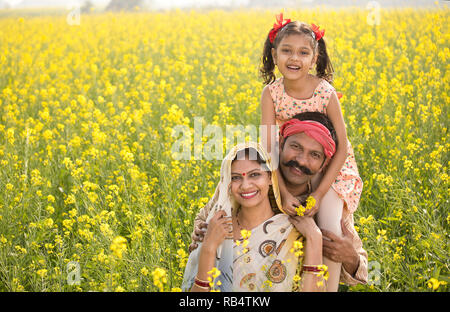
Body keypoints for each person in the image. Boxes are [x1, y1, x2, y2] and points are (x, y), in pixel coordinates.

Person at [190, 112, 368, 290]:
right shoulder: (252, 180)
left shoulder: (326, 206)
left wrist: (349, 256)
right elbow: (206, 217)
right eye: (296, 146)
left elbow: (360, 271)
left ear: (324, 164)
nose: (301, 160)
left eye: (314, 155)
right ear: (281, 143)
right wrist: (201, 233)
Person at [259, 13, 364, 291]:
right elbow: (269, 148)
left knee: (329, 225)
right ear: (274, 54)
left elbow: (341, 148)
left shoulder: (324, 91)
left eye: (303, 52)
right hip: (292, 165)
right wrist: (284, 192)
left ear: (314, 58)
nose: (295, 58)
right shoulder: (271, 93)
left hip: (332, 168)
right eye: (287, 51)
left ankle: (328, 288)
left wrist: (318, 195)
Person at [182, 142, 327, 292]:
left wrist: (315, 238)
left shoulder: (291, 233)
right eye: (236, 178)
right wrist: (208, 248)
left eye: (255, 175)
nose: (245, 186)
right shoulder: (216, 228)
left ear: (270, 177)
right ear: (227, 184)